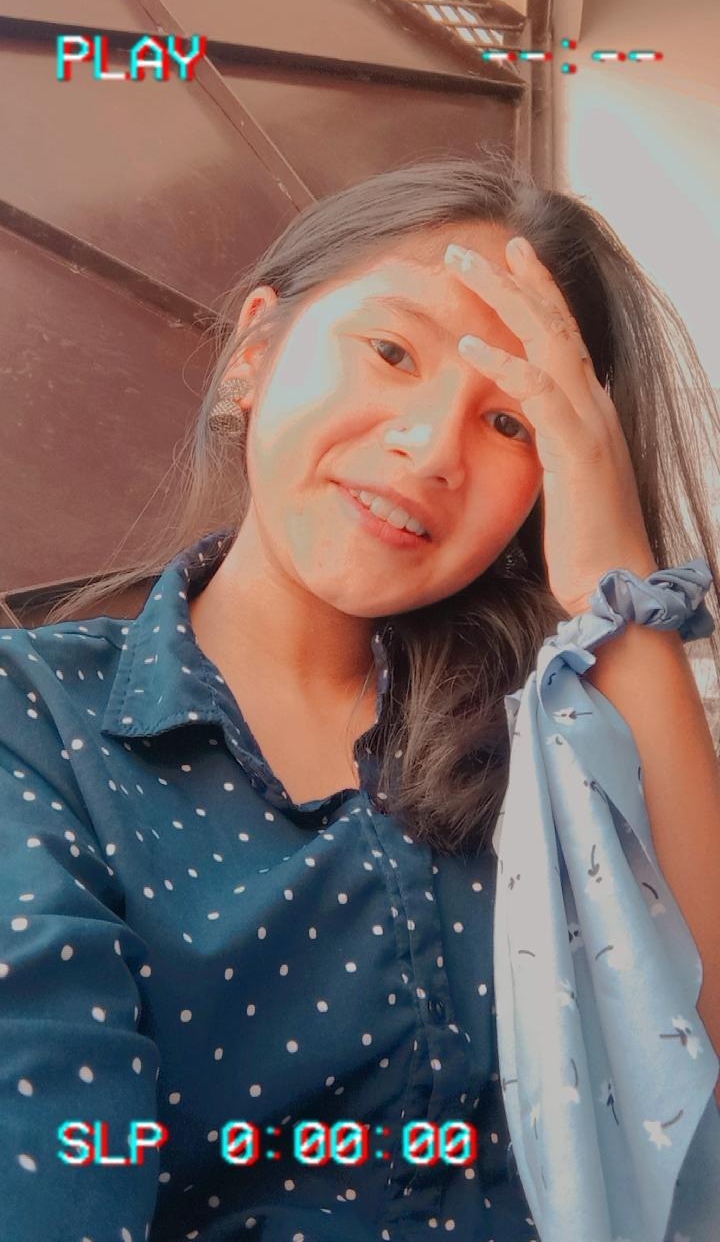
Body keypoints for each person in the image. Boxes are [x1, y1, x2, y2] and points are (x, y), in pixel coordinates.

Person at [2, 152, 719, 1242]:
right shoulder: (41, 722)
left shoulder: (564, 733)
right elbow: (48, 1148)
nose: (430, 450)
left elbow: (697, 1067)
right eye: (391, 351)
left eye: (514, 422)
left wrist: (617, 582)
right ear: (254, 352)